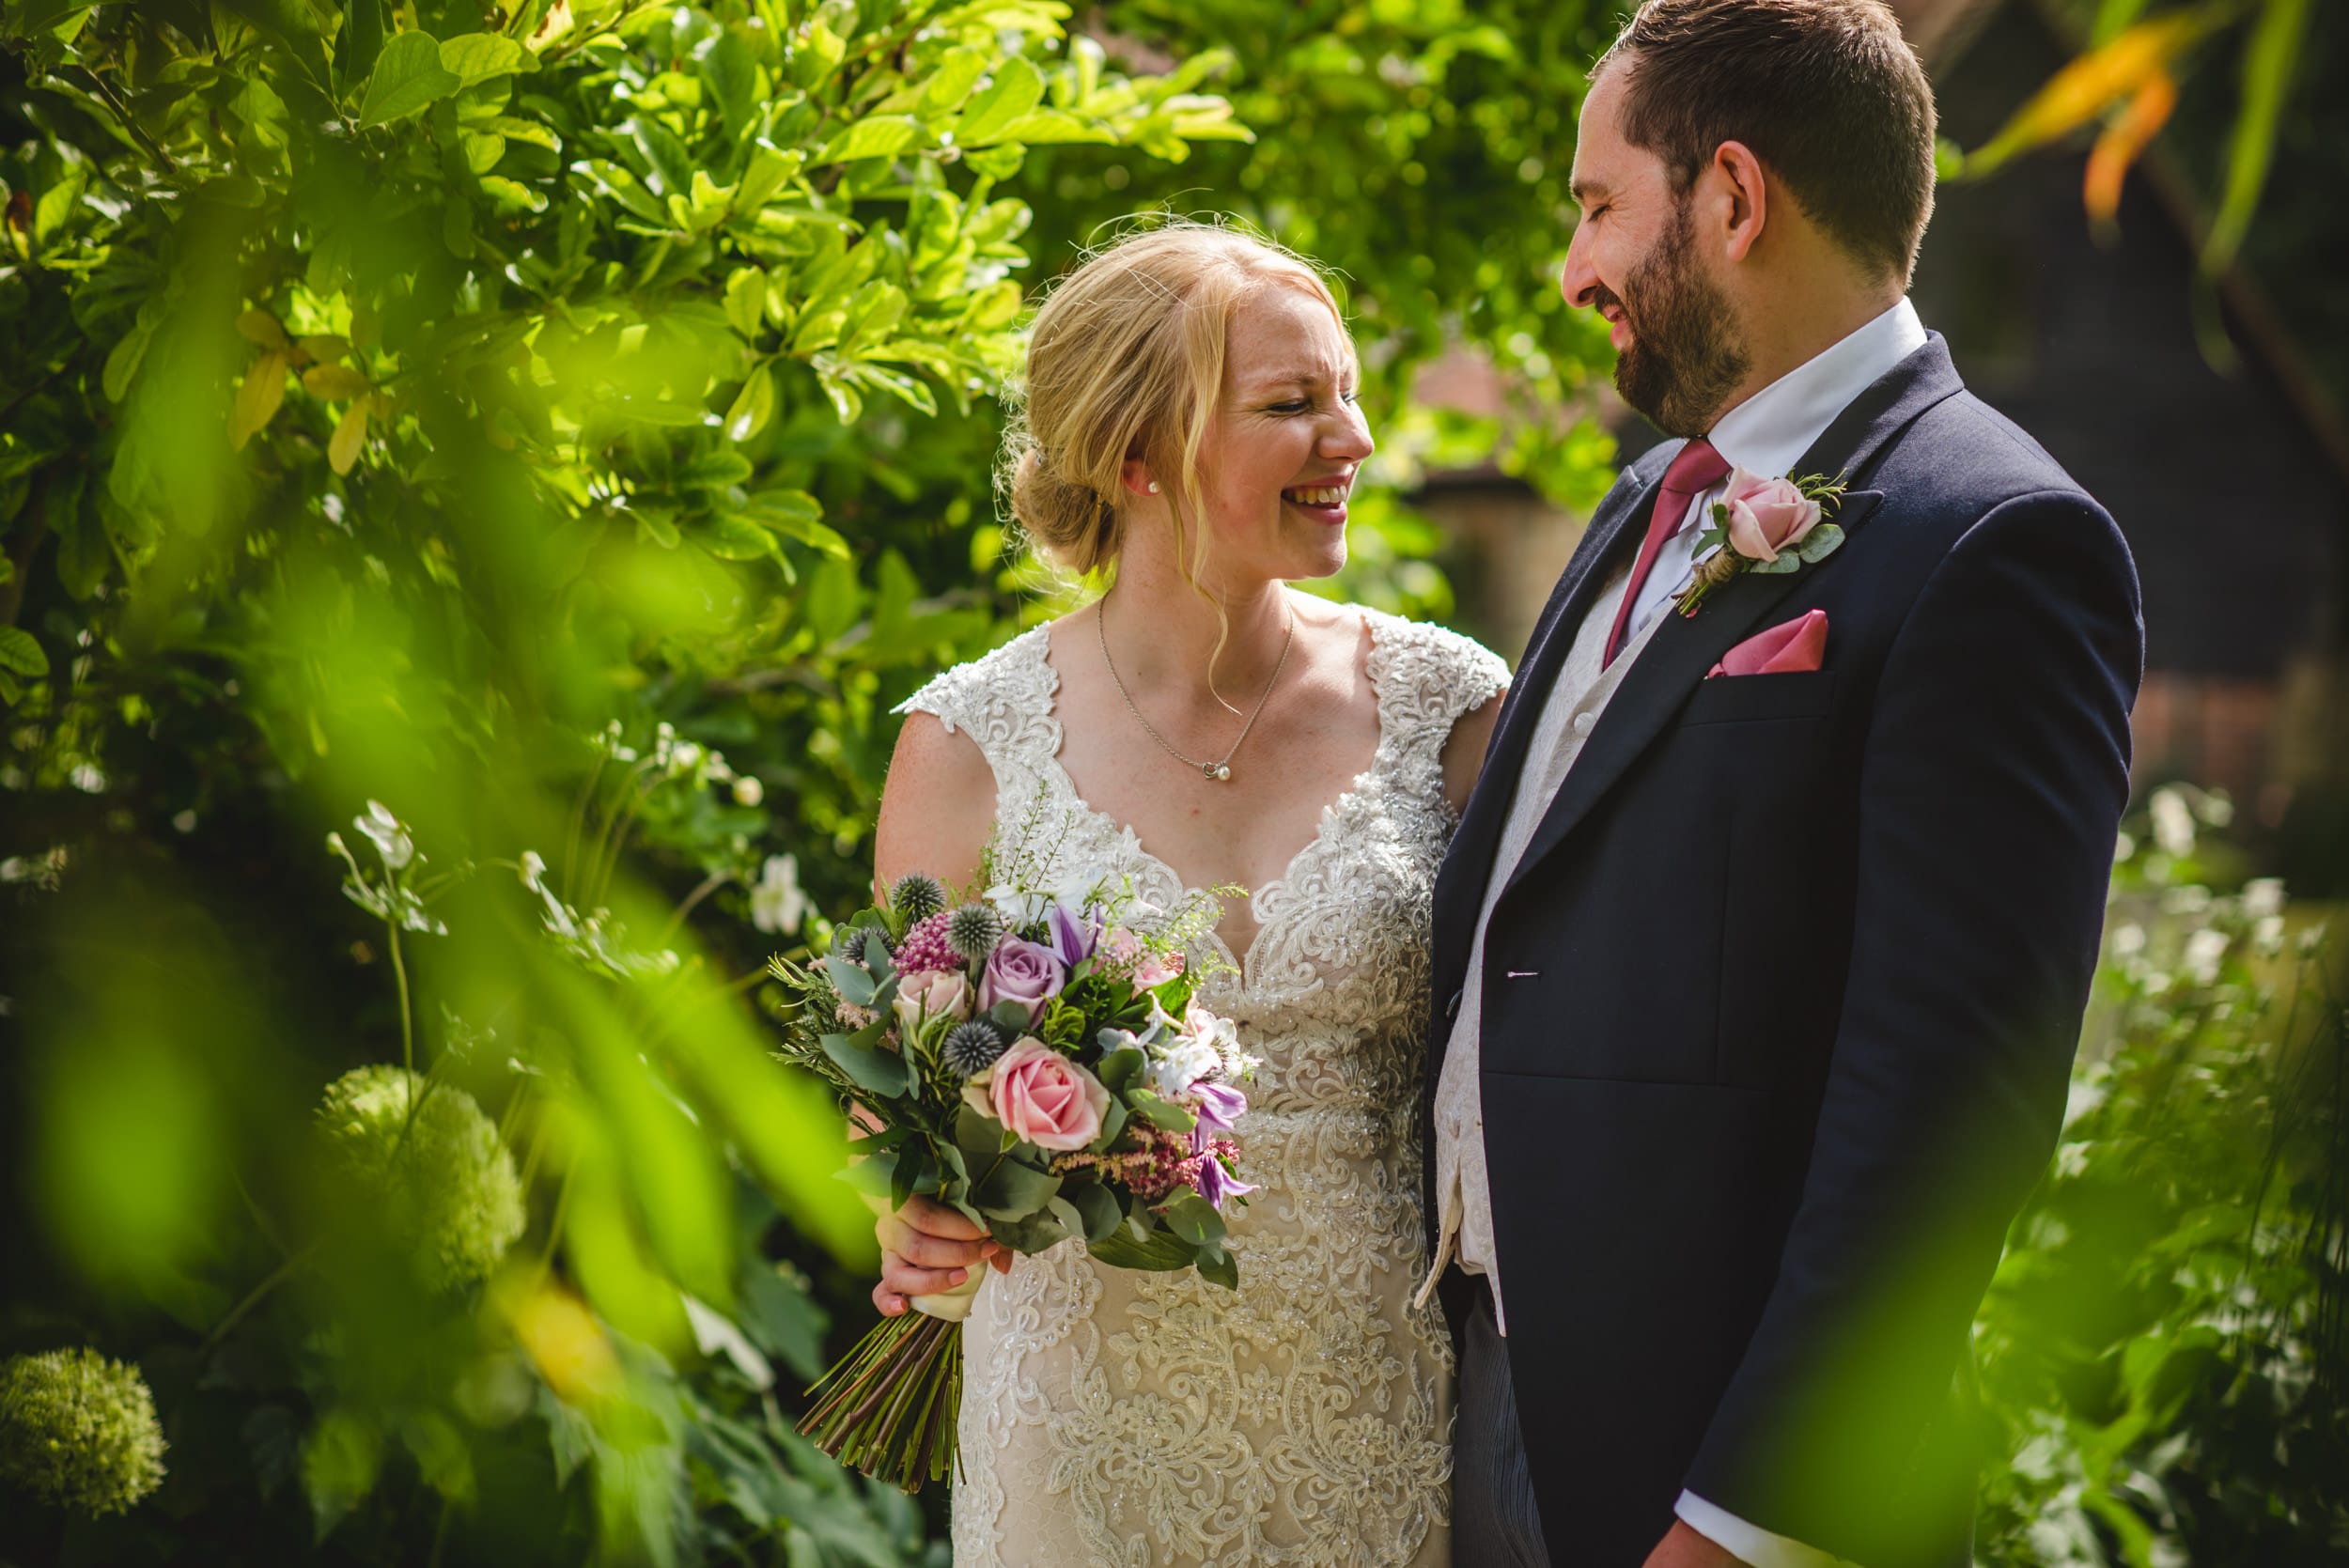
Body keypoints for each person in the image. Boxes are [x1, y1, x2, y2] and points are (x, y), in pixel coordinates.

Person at [1425, 3, 2143, 1566]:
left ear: (1734, 197)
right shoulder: (1644, 501)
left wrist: (1752, 1516)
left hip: (1709, 1479)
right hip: (1479, 1411)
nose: (1577, 270)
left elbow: (1951, 1104)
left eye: (1598, 204)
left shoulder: (1997, 541)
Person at [871, 221, 1508, 1566]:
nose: (1354, 440)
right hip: (1080, 1437)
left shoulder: (1453, 710)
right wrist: (918, 1212)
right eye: (1292, 405)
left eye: (1347, 393)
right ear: (1136, 453)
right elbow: (906, 1117)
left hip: (1371, 1422)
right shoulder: (966, 745)